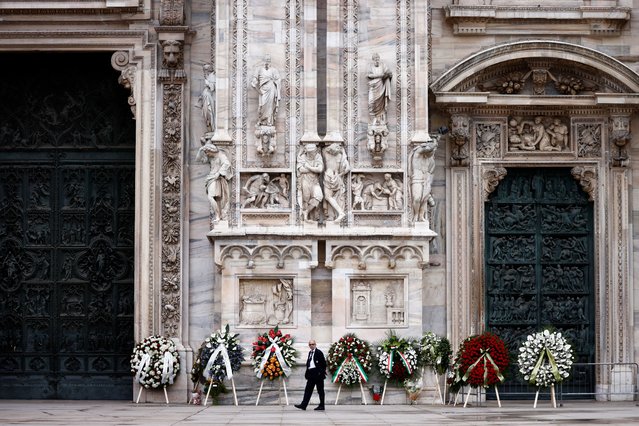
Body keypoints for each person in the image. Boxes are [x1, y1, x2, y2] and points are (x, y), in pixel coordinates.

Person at [196, 139, 232, 222]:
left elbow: (227, 164)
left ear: (211, 150)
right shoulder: (210, 157)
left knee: (211, 197)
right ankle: (218, 216)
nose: (207, 154)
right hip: (210, 178)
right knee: (211, 197)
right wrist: (200, 150)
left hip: (216, 179)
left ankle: (218, 216)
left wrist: (219, 173)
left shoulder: (220, 155)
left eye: (207, 152)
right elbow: (198, 160)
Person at [410, 139, 437, 222]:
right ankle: (415, 215)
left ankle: (421, 216)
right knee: (417, 198)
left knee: (424, 199)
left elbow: (431, 172)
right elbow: (429, 149)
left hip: (426, 180)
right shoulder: (417, 154)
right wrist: (434, 143)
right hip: (417, 179)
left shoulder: (430, 160)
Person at [295, 339, 326, 411]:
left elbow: (324, 364)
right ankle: (304, 405)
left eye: (313, 344)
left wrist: (320, 372)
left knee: (320, 390)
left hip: (318, 374)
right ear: (309, 346)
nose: (311, 346)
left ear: (315, 345)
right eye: (310, 344)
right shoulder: (310, 353)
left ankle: (322, 405)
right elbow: (309, 363)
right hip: (311, 374)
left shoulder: (319, 352)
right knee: (308, 390)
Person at [251, 54, 281, 127]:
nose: (267, 62)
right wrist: (254, 83)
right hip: (263, 90)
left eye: (268, 60)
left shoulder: (274, 70)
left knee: (270, 106)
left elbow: (278, 80)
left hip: (271, 89)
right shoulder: (259, 69)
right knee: (262, 105)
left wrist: (278, 90)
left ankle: (269, 121)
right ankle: (261, 120)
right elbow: (254, 80)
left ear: (270, 61)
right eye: (265, 60)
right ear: (263, 61)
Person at [296, 144, 324, 222]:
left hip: (315, 181)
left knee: (319, 196)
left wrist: (308, 166)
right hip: (305, 180)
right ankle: (305, 218)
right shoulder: (302, 157)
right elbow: (301, 170)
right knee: (306, 198)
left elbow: (320, 169)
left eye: (314, 152)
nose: (313, 153)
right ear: (308, 152)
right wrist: (314, 169)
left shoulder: (318, 156)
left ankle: (307, 212)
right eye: (312, 152)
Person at [367, 53, 392, 125]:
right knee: (371, 102)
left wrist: (388, 75)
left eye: (378, 58)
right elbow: (368, 75)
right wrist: (379, 75)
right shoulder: (370, 66)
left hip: (381, 86)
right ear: (373, 60)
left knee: (381, 104)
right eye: (375, 59)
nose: (377, 60)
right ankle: (372, 120)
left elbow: (388, 73)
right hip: (373, 86)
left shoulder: (383, 65)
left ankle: (380, 119)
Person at [199, 64, 215, 132]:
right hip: (205, 98)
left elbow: (212, 88)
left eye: (205, 70)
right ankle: (210, 129)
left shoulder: (212, 77)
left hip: (209, 98)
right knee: (206, 114)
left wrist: (208, 83)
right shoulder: (208, 77)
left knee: (209, 112)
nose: (204, 72)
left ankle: (212, 128)